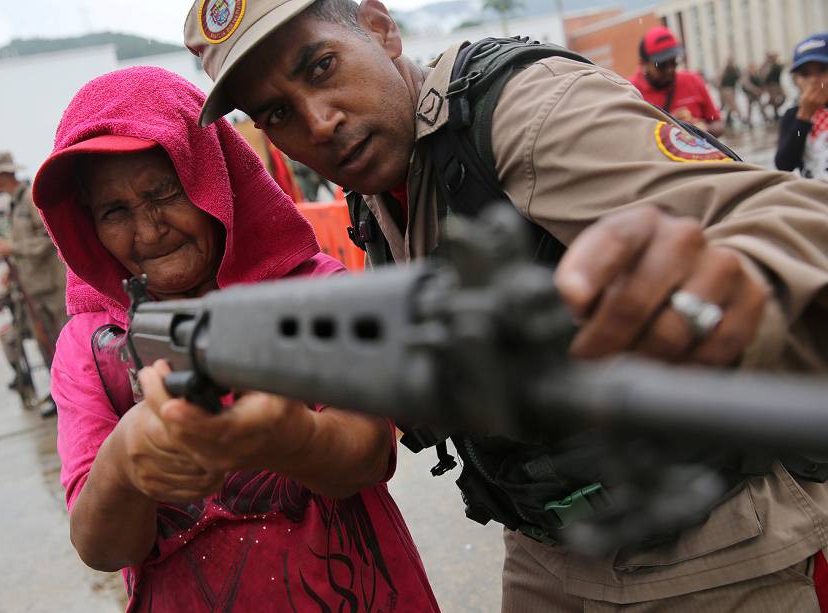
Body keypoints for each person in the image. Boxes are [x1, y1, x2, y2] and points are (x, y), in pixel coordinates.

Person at [185, 0, 828, 610]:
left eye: (322, 67)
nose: (319, 122)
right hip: (549, 544)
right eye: (276, 114)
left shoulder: (527, 110)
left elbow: (778, 219)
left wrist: (740, 285)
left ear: (379, 29)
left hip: (711, 545)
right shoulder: (380, 179)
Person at [31, 66, 439, 612]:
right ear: (86, 226)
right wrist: (126, 461)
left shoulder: (312, 292)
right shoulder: (89, 346)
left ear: (213, 178)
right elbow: (101, 547)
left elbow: (369, 455)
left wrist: (286, 437)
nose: (149, 231)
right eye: (114, 211)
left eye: (164, 193)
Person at [0, 151, 68, 418]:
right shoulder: (14, 204)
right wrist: (14, 267)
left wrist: (14, 248)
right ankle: (60, 395)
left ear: (0, 175)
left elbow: (49, 238)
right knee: (46, 345)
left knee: (63, 344)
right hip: (33, 288)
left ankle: (72, 395)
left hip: (51, 287)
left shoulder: (31, 200)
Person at [629, 26, 724, 136]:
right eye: (661, 65)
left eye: (674, 62)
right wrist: (668, 126)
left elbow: (718, 124)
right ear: (643, 64)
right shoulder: (630, 93)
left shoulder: (693, 80)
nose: (670, 70)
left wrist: (702, 130)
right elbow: (631, 139)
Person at [775, 33, 828, 181]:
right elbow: (785, 164)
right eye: (805, 74)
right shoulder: (793, 116)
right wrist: (804, 116)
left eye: (822, 70)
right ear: (796, 80)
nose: (813, 80)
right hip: (813, 196)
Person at [717, 56, 742, 127]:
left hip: (732, 89)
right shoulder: (725, 69)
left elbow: (739, 77)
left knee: (729, 105)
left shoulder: (735, 69)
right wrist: (720, 92)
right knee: (733, 105)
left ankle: (728, 119)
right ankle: (742, 118)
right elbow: (720, 80)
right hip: (726, 89)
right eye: (730, 61)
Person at [762, 51, 787, 121]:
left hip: (777, 84)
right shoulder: (768, 65)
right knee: (773, 99)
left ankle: (773, 111)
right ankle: (774, 113)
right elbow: (764, 75)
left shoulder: (776, 65)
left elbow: (783, 66)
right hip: (771, 85)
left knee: (783, 97)